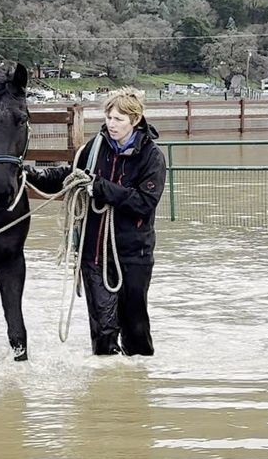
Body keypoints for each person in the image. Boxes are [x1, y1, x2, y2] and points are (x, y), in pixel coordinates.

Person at [26, 89, 164, 356]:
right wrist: (30, 174)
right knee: (103, 330)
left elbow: (145, 203)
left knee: (135, 329)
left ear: (135, 120)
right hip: (94, 255)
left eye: (119, 119)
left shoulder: (151, 156)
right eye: (109, 117)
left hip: (134, 254)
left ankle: (137, 385)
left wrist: (100, 188)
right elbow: (72, 174)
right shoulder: (95, 147)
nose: (112, 124)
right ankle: (107, 387)